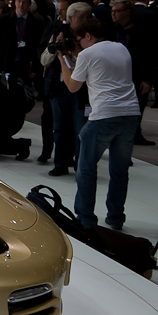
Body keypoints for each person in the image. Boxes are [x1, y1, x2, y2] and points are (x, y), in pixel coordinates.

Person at [58, 18, 141, 230]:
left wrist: (62, 60)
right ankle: (116, 217)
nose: (79, 44)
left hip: (104, 114)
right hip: (131, 112)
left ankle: (85, 219)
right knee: (120, 170)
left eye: (79, 40)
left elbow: (73, 86)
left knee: (86, 168)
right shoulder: (121, 48)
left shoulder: (87, 54)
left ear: (88, 36)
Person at [39, 0, 88, 176]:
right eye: (81, 17)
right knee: (59, 128)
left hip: (80, 88)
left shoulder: (89, 37)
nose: (84, 21)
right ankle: (60, 163)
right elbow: (44, 59)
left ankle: (81, 166)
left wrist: (75, 50)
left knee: (80, 130)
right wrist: (55, 46)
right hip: (58, 86)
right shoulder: (56, 31)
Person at [110, 0, 158, 145]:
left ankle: (135, 134)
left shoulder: (142, 30)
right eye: (112, 11)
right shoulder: (110, 30)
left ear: (127, 12)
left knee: (137, 106)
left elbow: (149, 55)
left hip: (137, 74)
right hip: (114, 75)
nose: (113, 14)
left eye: (117, 11)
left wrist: (147, 79)